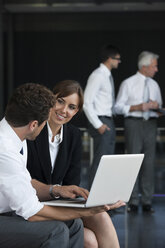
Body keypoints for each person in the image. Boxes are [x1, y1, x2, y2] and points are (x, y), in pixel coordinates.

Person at [0, 82, 124, 248]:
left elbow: (26, 182)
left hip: (23, 205)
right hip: (15, 211)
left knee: (77, 224)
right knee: (58, 230)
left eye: (72, 107)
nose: (64, 110)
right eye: (60, 101)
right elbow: (30, 210)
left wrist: (55, 190)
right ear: (35, 124)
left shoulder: (18, 138)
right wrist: (87, 211)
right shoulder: (11, 146)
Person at [115, 51, 162, 213]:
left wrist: (157, 108)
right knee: (132, 162)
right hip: (133, 124)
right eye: (154, 66)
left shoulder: (154, 85)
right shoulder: (128, 83)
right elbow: (117, 107)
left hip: (151, 124)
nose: (156, 69)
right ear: (144, 66)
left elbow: (158, 108)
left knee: (149, 164)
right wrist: (138, 107)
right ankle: (133, 201)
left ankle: (147, 201)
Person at [83, 44, 121, 187]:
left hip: (107, 120)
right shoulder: (98, 75)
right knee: (101, 162)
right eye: (117, 59)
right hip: (101, 121)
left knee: (107, 163)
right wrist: (98, 125)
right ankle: (95, 201)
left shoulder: (106, 75)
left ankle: (104, 200)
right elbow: (86, 102)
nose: (119, 62)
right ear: (110, 59)